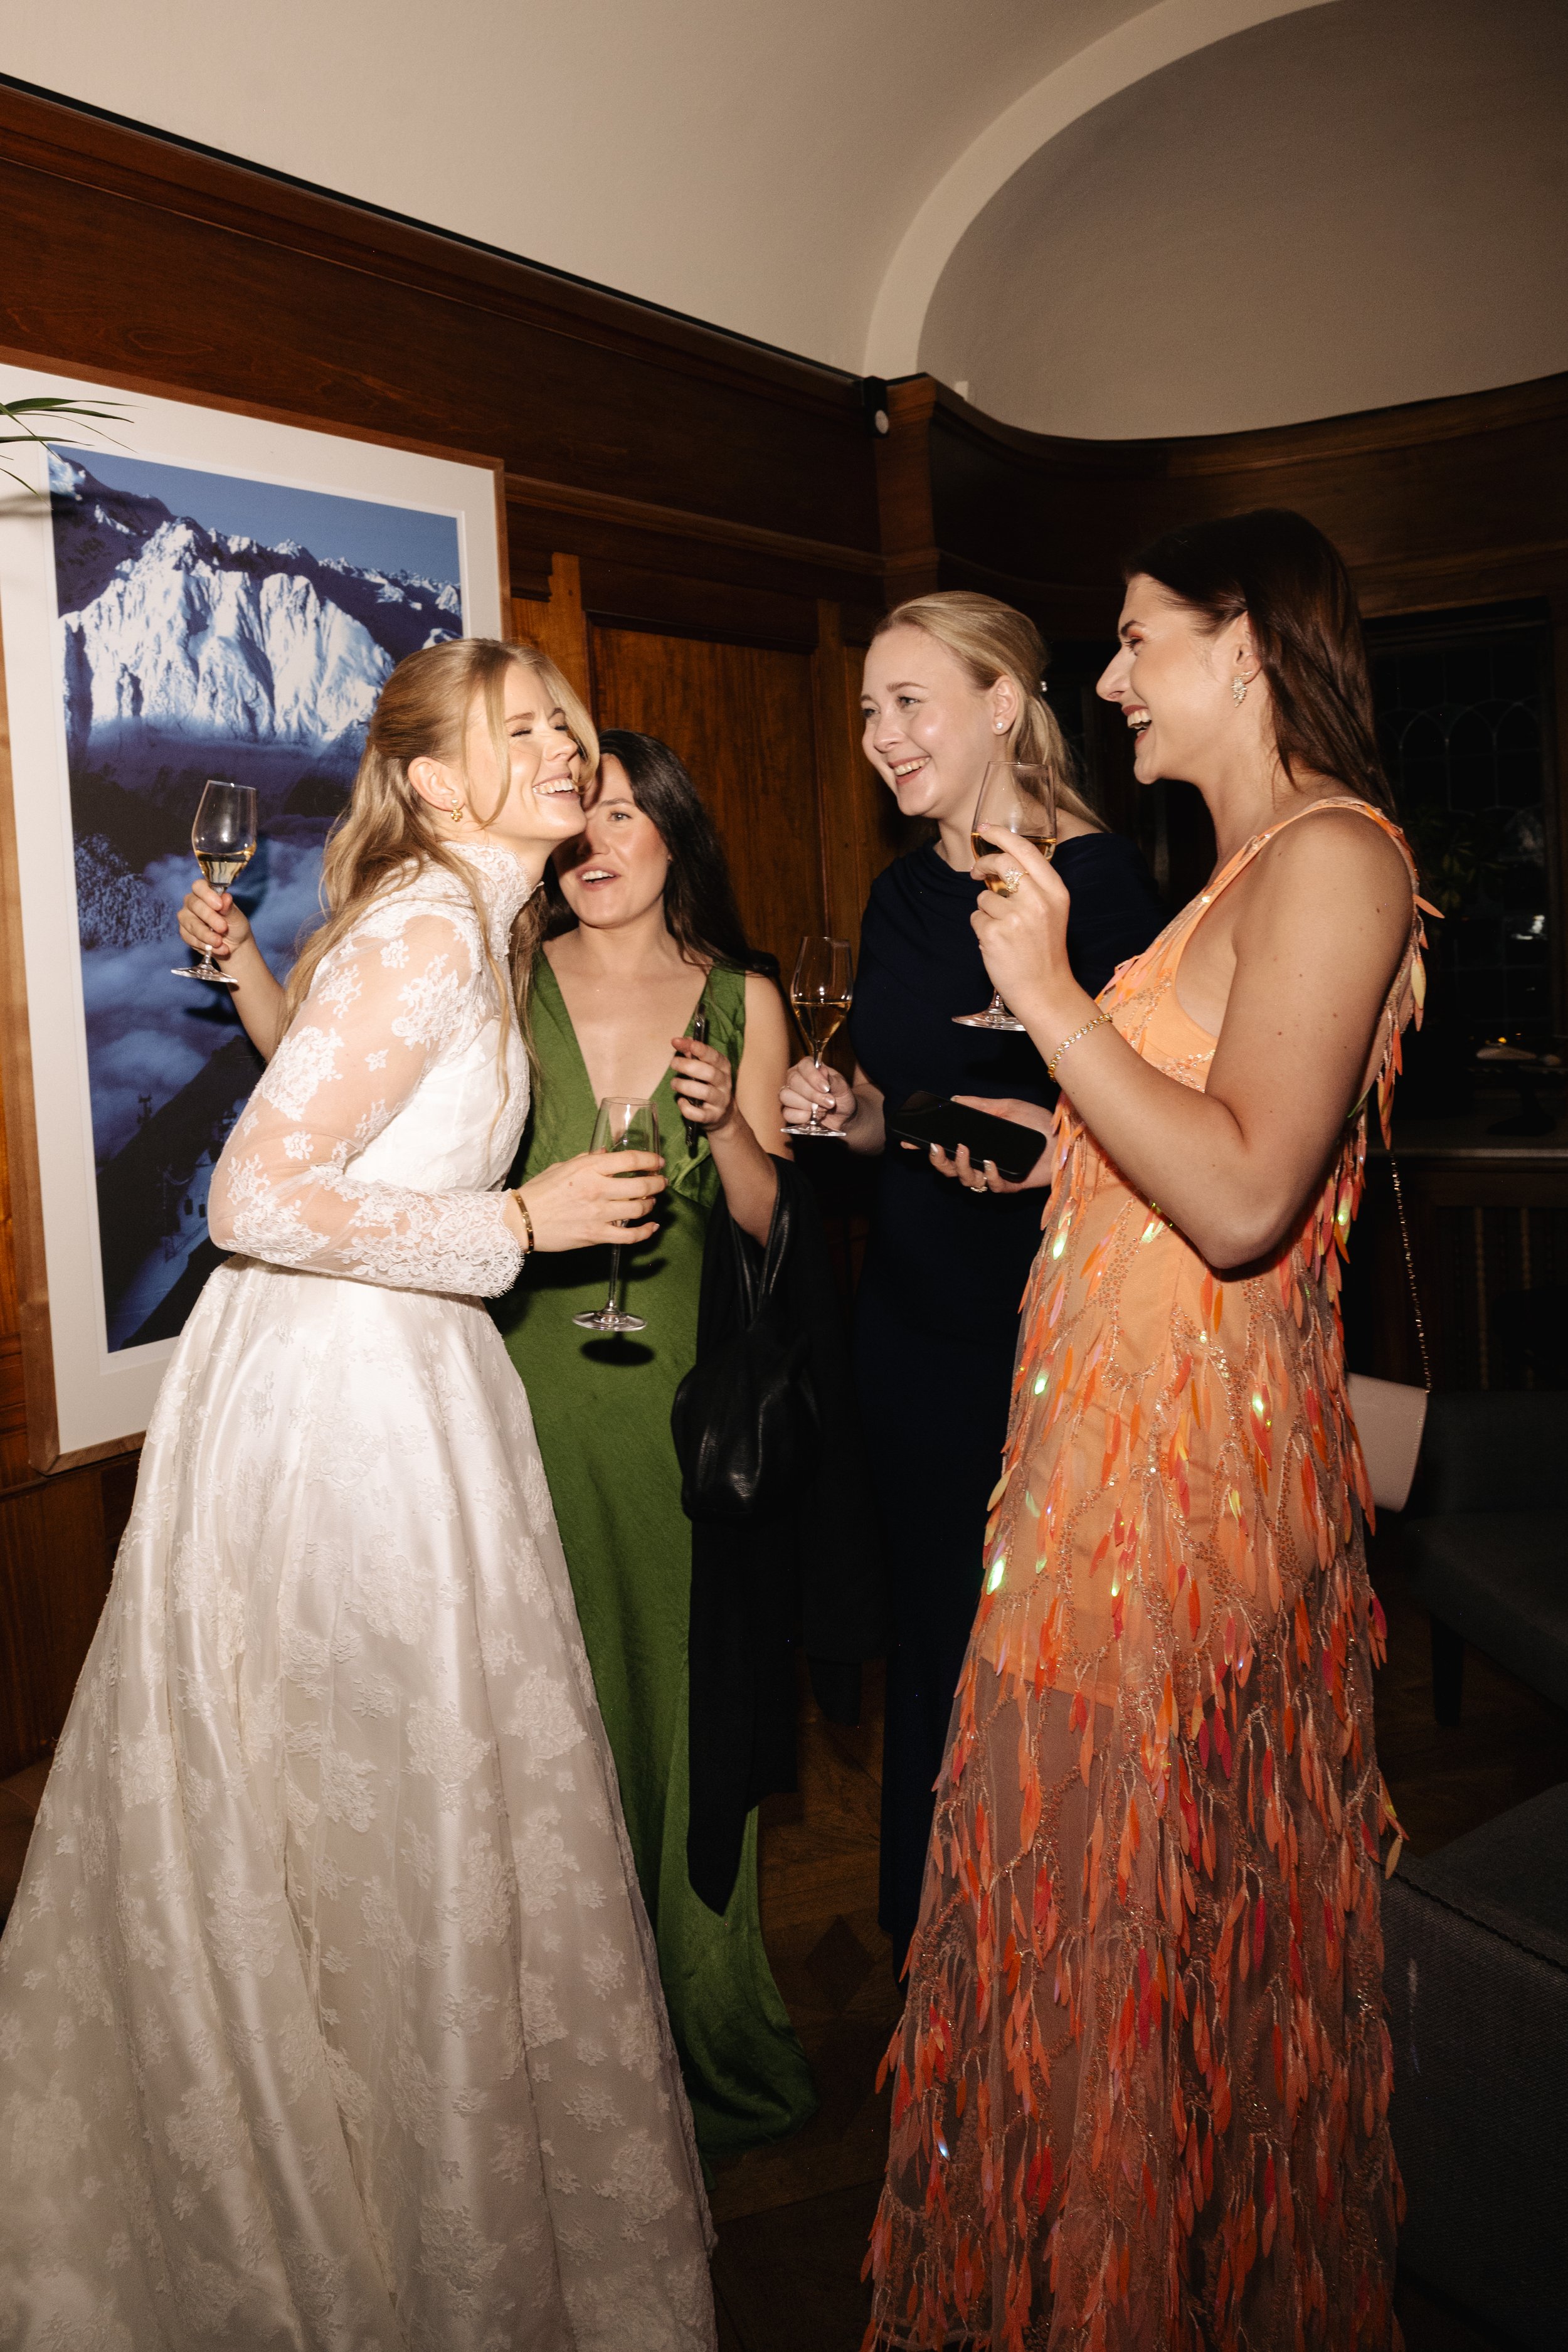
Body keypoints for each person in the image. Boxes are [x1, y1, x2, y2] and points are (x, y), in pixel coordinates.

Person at [0, 639, 718, 2351]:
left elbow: (345, 1139)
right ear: (434, 779)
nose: (567, 743)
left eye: (567, 720)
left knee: (392, 1809)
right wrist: (519, 1228)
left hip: (400, 1381)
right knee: (361, 1794)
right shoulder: (418, 928)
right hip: (340, 1409)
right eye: (524, 728)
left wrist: (482, 1224)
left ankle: (397, 2186)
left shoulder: (469, 926)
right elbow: (256, 1193)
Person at [866, 512, 1419, 2349]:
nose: (1107, 681)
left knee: (1138, 1925)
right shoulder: (1230, 862)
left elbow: (1253, 1190)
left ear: (1241, 642)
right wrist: (1062, 1147)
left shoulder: (1331, 854)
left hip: (1185, 1483)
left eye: (1132, 641)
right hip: (1097, 1465)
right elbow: (1169, 1126)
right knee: (1095, 1911)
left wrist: (1037, 1002)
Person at [779, 591, 1163, 1970]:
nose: (882, 737)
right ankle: (946, 1938)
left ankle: (1072, 1932)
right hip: (911, 1319)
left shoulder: (1101, 885)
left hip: (1049, 1318)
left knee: (1058, 1640)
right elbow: (904, 1106)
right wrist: (847, 1111)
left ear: (1001, 704)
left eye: (909, 703)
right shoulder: (898, 895)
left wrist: (1061, 1153)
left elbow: (1163, 1119)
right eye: (868, 711)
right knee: (937, 1629)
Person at [490, 729, 818, 2163]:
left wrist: (725, 1131)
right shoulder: (511, 974)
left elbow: (770, 1227)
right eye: (581, 819)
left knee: (678, 1700)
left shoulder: (742, 999)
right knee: (537, 1705)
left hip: (678, 1414)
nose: (596, 841)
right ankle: (554, 2039)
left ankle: (700, 2010)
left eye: (625, 815)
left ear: (676, 832)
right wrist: (253, 981)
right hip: (516, 1395)